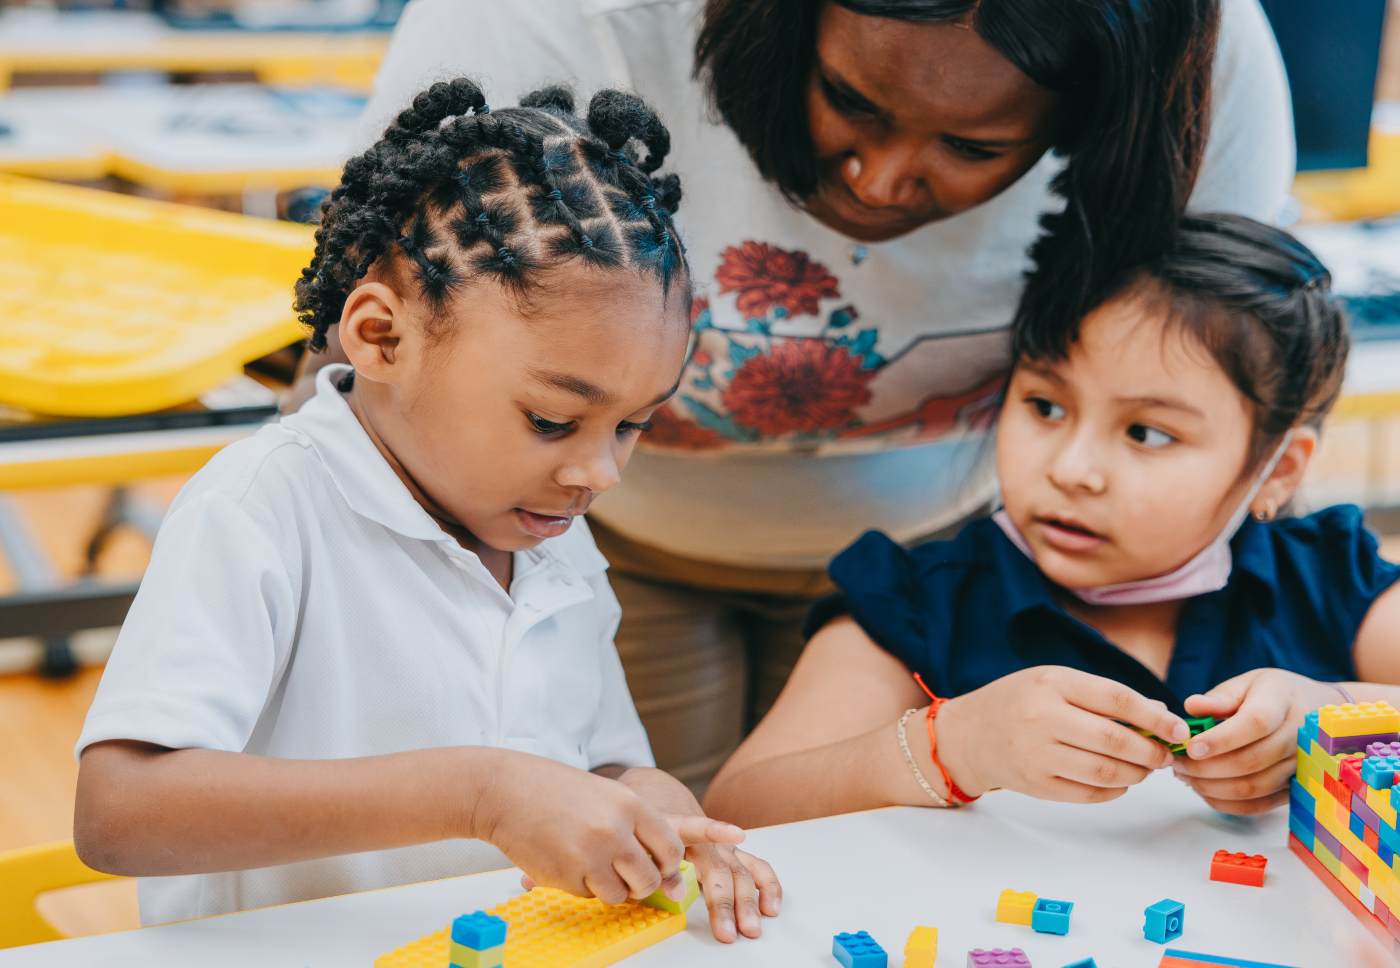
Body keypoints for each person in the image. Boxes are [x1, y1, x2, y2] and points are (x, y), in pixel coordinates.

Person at [303, 0, 1296, 790]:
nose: (880, 176)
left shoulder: (1191, 58)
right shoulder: (562, 20)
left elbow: (1222, 364)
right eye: (850, 99)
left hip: (938, 560)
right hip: (566, 549)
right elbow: (400, 331)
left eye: (973, 147)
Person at [72, 79, 780, 944]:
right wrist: (478, 794)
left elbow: (598, 754)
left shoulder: (555, 536)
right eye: (552, 420)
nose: (599, 471)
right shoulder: (261, 509)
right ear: (381, 338)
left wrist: (650, 799)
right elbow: (120, 811)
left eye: (632, 425)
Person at [703, 214, 1400, 827]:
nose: (1071, 468)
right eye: (1045, 406)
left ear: (1277, 470)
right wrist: (952, 746)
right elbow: (739, 807)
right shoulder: (921, 599)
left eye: (1147, 434)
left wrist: (1333, 713)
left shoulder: (1330, 577)